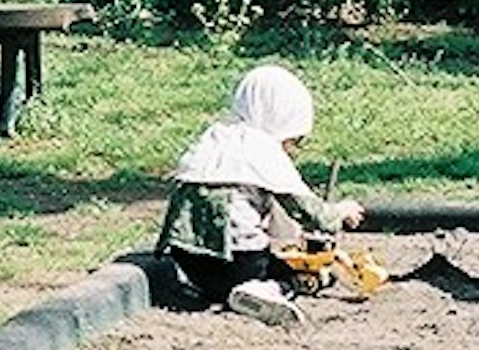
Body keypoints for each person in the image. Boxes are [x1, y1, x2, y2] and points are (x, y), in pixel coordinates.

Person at [155, 63, 365, 325]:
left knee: (224, 275)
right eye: (295, 141)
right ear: (283, 121)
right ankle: (262, 291)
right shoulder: (263, 150)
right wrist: (340, 211)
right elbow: (308, 211)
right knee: (286, 274)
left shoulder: (213, 138)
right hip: (238, 258)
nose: (293, 150)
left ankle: (214, 290)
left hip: (186, 257)